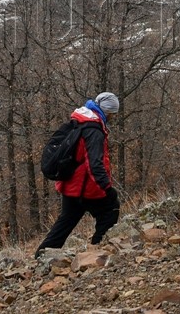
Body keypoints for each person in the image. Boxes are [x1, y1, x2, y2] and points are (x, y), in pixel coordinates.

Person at [35, 92, 120, 256]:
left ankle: (41, 256)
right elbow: (95, 164)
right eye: (113, 114)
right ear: (107, 112)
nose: (113, 118)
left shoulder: (80, 120)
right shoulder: (94, 131)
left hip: (70, 185)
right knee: (111, 209)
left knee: (65, 223)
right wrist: (107, 188)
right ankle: (98, 250)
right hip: (85, 188)